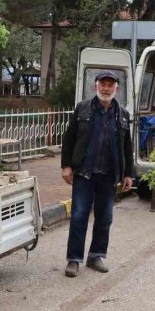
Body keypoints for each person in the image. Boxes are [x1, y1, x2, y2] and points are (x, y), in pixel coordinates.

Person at [60, 70, 135, 278]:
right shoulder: (83, 108)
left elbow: (127, 147)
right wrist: (66, 166)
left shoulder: (122, 114)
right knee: (79, 215)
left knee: (105, 218)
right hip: (84, 173)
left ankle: (96, 256)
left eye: (110, 85)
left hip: (109, 176)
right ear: (96, 86)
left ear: (116, 89)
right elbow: (69, 138)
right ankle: (74, 259)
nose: (106, 89)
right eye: (103, 84)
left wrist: (128, 174)